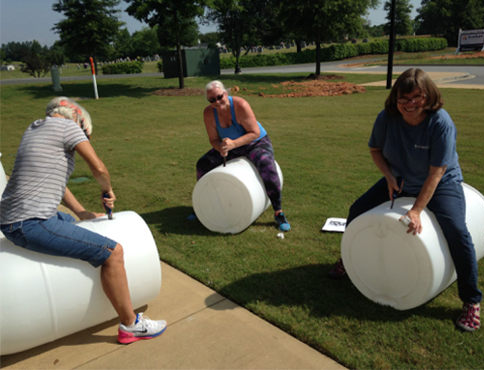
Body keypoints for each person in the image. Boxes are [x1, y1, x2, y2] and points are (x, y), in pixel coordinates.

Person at [0, 97, 167, 343]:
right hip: (30, 223)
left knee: (68, 222)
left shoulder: (35, 128)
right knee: (113, 252)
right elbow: (98, 169)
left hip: (12, 219)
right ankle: (131, 325)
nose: (84, 138)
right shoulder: (69, 127)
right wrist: (107, 190)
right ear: (77, 115)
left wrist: (82, 213)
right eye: (86, 134)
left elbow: (56, 183)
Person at [328, 68, 482, 332]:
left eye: (417, 97)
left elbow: (437, 172)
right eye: (404, 99)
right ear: (395, 99)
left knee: (457, 230)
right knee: (357, 210)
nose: (410, 104)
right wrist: (388, 176)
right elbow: (375, 150)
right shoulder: (387, 118)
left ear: (428, 96)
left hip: (441, 183)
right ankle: (347, 259)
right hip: (399, 178)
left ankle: (471, 301)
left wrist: (416, 210)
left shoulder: (440, 122)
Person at [194, 80, 290, 232]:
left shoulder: (240, 105)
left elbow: (254, 133)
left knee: (267, 165)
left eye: (219, 97)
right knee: (203, 164)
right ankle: (203, 205)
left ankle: (279, 212)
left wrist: (232, 144)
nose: (217, 102)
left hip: (255, 142)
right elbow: (213, 139)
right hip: (231, 145)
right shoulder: (208, 113)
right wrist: (221, 148)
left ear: (226, 93)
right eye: (212, 100)